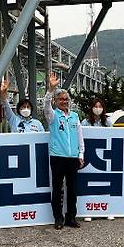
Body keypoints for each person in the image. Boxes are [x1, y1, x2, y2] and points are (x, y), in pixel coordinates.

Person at [44, 73, 84, 230]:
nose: (64, 101)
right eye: (61, 99)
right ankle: (58, 218)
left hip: (72, 157)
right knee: (58, 188)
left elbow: (80, 137)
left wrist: (81, 154)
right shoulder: (53, 116)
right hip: (57, 157)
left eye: (66, 99)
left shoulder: (74, 116)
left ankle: (71, 217)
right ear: (56, 101)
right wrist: (50, 89)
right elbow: (46, 105)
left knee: (73, 189)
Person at [81, 98, 114, 222]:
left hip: (105, 156)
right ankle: (89, 210)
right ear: (91, 108)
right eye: (95, 106)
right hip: (89, 156)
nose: (98, 108)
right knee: (90, 183)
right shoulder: (85, 122)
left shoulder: (108, 122)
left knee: (104, 183)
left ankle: (106, 210)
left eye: (100, 106)